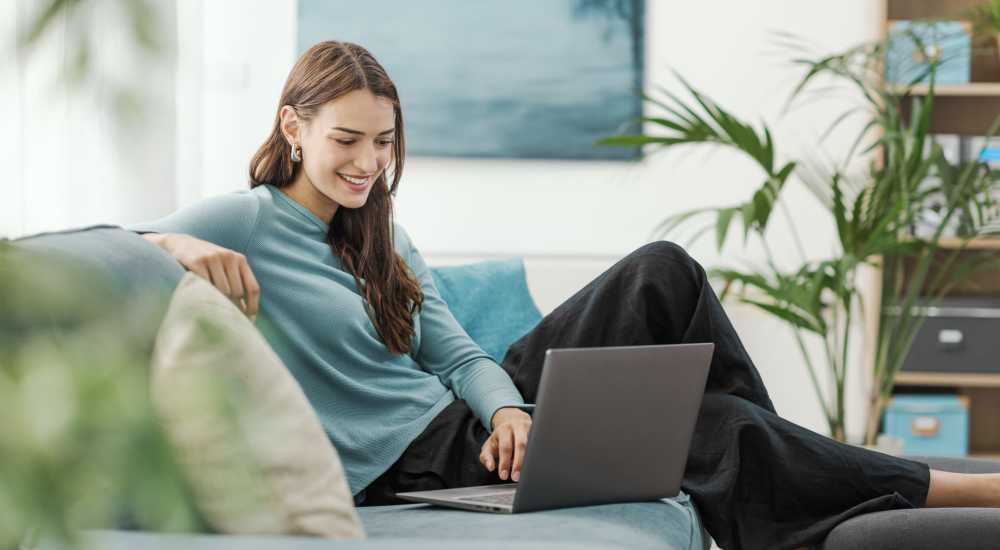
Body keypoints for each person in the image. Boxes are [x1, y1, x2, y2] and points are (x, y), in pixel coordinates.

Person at [134, 41, 1000, 550]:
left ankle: (784, 479)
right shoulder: (239, 221)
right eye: (346, 141)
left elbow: (458, 355)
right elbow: (82, 249)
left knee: (663, 268)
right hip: (416, 465)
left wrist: (509, 411)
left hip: (475, 425)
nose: (367, 164)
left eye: (384, 142)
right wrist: (170, 242)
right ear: (293, 128)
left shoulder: (379, 234)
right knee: (708, 429)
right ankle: (955, 488)